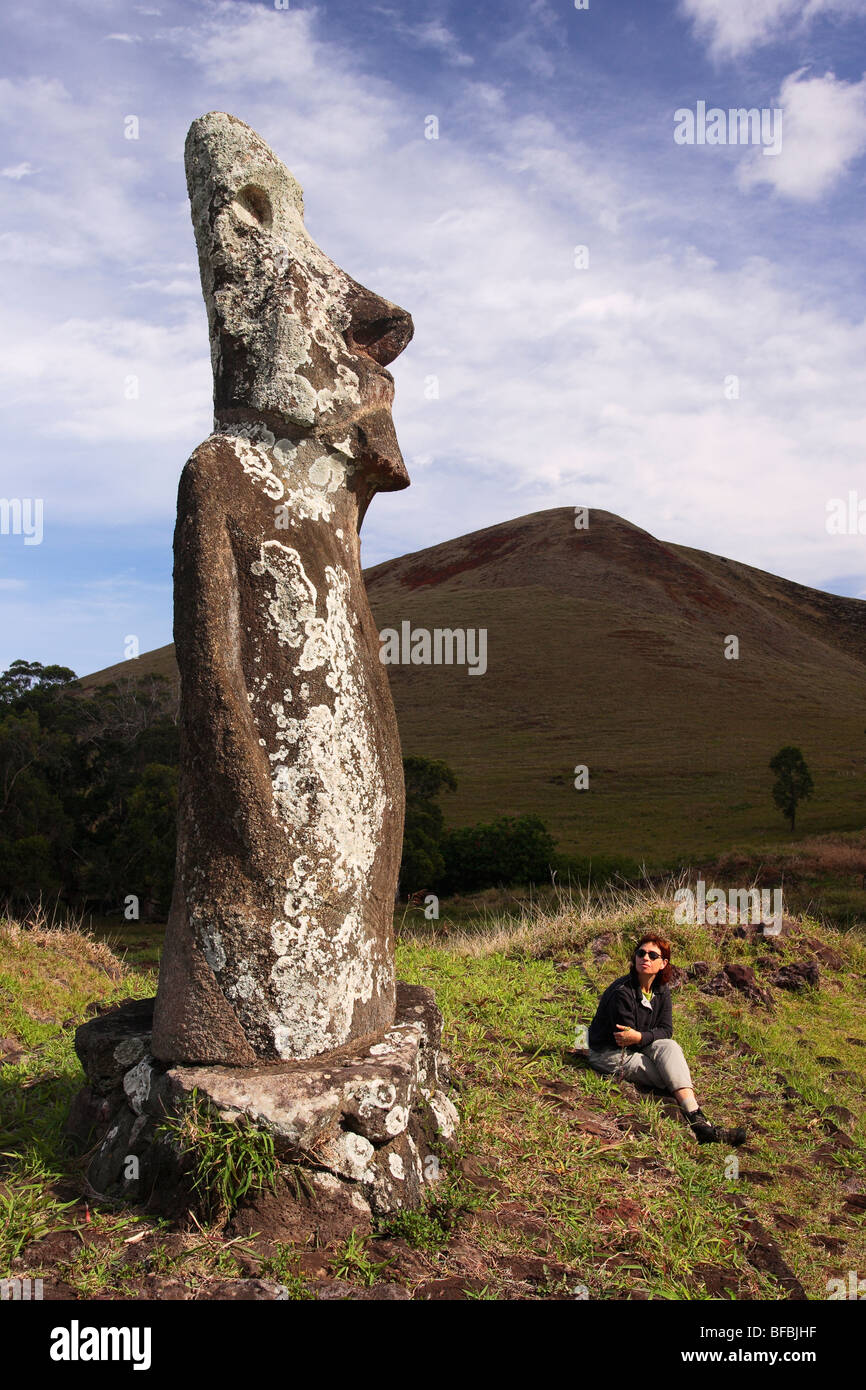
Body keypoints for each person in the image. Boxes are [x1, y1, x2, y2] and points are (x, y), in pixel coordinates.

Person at [585, 934, 747, 1146]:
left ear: (663, 963)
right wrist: (645, 1036)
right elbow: (625, 1038)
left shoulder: (661, 990)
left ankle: (698, 1121)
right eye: (641, 953)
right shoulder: (621, 993)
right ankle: (700, 1122)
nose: (646, 958)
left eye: (653, 955)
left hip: (639, 1044)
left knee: (670, 1047)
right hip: (609, 1052)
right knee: (667, 1077)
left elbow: (666, 1030)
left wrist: (642, 1036)